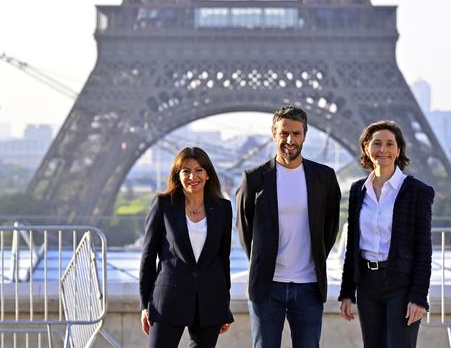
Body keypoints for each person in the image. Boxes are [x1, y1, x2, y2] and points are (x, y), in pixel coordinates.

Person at [236, 105, 341, 348]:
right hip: (266, 287)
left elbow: (330, 228)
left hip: (309, 286)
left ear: (305, 135)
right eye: (284, 133)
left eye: (296, 133)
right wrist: (263, 261)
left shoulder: (324, 177)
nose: (290, 140)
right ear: (274, 134)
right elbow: (245, 230)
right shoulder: (253, 179)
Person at [339, 120, 435, 348]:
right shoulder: (357, 191)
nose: (383, 150)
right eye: (377, 144)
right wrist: (346, 292)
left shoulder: (417, 192)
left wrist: (419, 297)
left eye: (390, 144)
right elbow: (353, 245)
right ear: (366, 148)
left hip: (401, 285)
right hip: (367, 285)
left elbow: (423, 250)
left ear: (399, 149)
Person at [139, 147, 234, 348]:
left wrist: (224, 304)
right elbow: (148, 257)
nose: (193, 176)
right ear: (177, 175)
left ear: (208, 174)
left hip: (210, 300)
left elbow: (223, 259)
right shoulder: (163, 204)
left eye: (199, 170)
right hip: (167, 300)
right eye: (186, 171)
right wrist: (144, 305)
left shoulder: (223, 208)